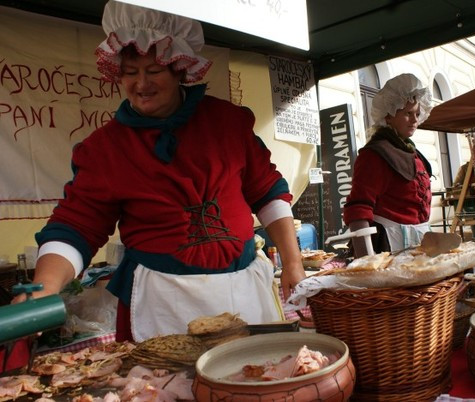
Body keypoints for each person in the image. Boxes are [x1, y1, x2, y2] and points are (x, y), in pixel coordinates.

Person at [13, 1, 305, 342]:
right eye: (130, 72)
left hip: (245, 292)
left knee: (256, 370)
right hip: (162, 303)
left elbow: (267, 191)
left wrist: (293, 262)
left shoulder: (227, 122)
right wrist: (44, 289)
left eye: (153, 71)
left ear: (180, 67)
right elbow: (77, 224)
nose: (141, 84)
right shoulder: (106, 149)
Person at [343, 73, 433, 258]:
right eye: (408, 113)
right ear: (388, 116)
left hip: (419, 244)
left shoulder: (413, 152)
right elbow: (359, 208)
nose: (415, 120)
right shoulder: (375, 155)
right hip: (387, 247)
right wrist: (366, 261)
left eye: (417, 114)